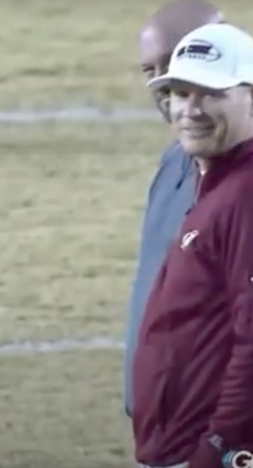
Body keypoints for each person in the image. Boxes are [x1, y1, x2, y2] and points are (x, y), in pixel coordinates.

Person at [133, 22, 253, 468]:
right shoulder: (215, 181)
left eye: (211, 93)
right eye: (182, 93)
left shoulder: (245, 195)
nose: (191, 109)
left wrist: (219, 448)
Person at [123, 0, 224, 418]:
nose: (165, 84)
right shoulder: (174, 163)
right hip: (163, 424)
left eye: (179, 62)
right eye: (152, 71)